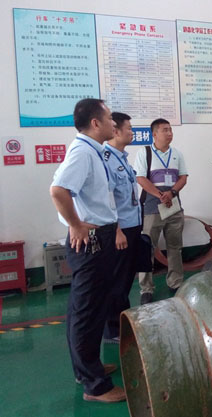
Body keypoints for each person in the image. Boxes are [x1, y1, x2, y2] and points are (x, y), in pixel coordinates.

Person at [50, 98, 126, 403]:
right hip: (91, 241)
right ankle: (95, 386)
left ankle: (87, 368)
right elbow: (58, 190)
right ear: (95, 123)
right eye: (109, 119)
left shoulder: (92, 150)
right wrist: (76, 224)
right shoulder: (83, 152)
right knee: (87, 312)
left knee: (85, 309)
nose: (113, 124)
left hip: (99, 237)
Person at [134, 118, 188, 305]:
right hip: (152, 207)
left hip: (173, 206)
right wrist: (160, 195)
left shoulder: (177, 153)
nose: (169, 133)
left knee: (175, 247)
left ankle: (175, 282)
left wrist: (171, 193)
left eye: (170, 129)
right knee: (147, 248)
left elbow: (183, 177)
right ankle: (146, 288)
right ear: (154, 134)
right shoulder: (144, 153)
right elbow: (141, 178)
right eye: (165, 130)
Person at [102, 112, 141, 342]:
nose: (132, 132)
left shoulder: (122, 158)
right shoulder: (107, 160)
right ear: (115, 131)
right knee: (116, 280)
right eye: (129, 128)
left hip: (132, 225)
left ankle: (123, 324)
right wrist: (116, 230)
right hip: (120, 230)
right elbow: (108, 200)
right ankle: (113, 330)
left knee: (126, 279)